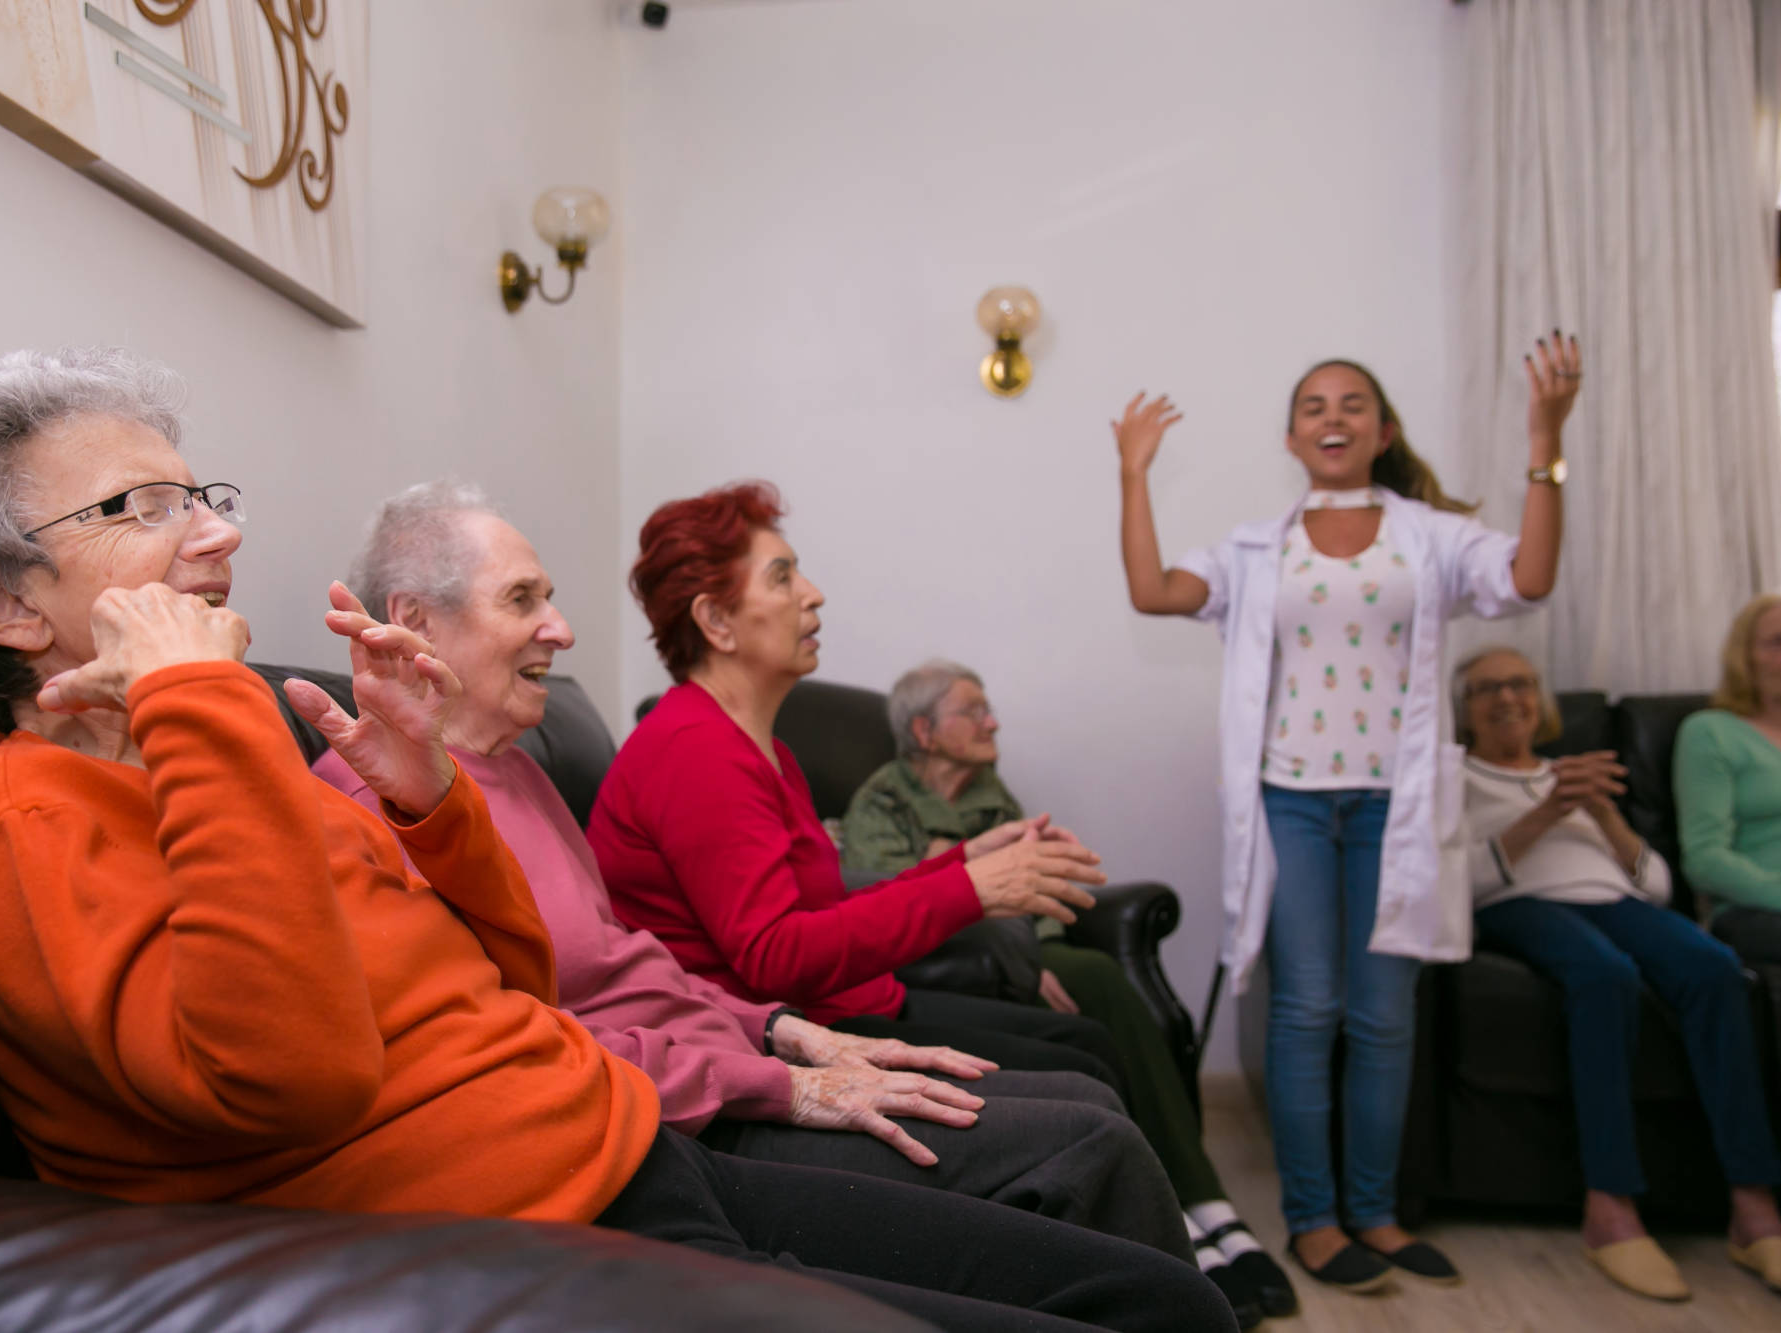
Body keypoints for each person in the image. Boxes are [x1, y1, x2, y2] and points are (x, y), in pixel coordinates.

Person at [0, 348, 1236, 1333]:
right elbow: (292, 1079)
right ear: (1, 605)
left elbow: (505, 983)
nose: (211, 536)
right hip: (537, 1219)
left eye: (204, 494)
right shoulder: (17, 809)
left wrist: (431, 812)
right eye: (140, 510)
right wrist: (206, 703)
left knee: (1147, 1293)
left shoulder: (236, 751)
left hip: (616, 1137)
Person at [309, 481, 1203, 1282]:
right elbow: (555, 1034)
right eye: (523, 598)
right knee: (1091, 1137)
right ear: (415, 622)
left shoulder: (523, 772)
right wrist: (787, 1069)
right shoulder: (380, 806)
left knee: (1085, 1099)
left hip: (732, 1056)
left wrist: (785, 1031)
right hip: (681, 1113)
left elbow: (636, 962)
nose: (562, 628)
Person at [1113, 332, 1580, 1292]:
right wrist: (1133, 475)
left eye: (1352, 403)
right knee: (1307, 1005)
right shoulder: (1255, 548)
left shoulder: (1433, 537)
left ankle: (1375, 1211)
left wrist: (1546, 439)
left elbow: (1529, 579)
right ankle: (1314, 1219)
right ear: (1292, 436)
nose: (1334, 417)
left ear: (1384, 430)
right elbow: (1154, 590)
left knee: (1383, 1015)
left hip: (1395, 808)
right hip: (1291, 801)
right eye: (1315, 406)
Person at [587, 483, 1137, 1104]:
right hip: (774, 1044)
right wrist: (972, 889)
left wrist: (965, 863)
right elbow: (774, 956)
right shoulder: (695, 750)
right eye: (782, 577)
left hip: (832, 1010)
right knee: (1084, 1082)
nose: (813, 593)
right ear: (716, 621)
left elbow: (820, 908)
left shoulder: (757, 745)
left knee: (1087, 1048)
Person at [843, 659, 1295, 1321]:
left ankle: (1203, 1207)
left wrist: (1041, 951)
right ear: (925, 730)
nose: (992, 720)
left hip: (1018, 952)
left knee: (1100, 985)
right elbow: (889, 899)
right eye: (974, 709)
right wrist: (1011, 943)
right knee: (1099, 988)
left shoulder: (994, 796)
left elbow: (1041, 884)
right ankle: (1190, 1215)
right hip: (943, 965)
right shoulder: (882, 798)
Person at [1456, 646, 1781, 1301]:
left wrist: (1606, 815)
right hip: (1518, 905)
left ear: (1541, 700)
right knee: (1604, 976)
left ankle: (1755, 1207)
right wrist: (1546, 813)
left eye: (1522, 683)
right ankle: (1610, 1206)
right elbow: (1457, 885)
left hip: (1615, 898)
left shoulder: (1577, 773)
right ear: (1464, 712)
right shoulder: (1456, 777)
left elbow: (1659, 887)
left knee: (1715, 967)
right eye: (1487, 688)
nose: (1507, 697)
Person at [1677, 593, 1781, 971]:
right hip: (1758, 910)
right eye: (1779, 643)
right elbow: (1704, 858)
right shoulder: (1710, 733)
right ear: (1744, 658)